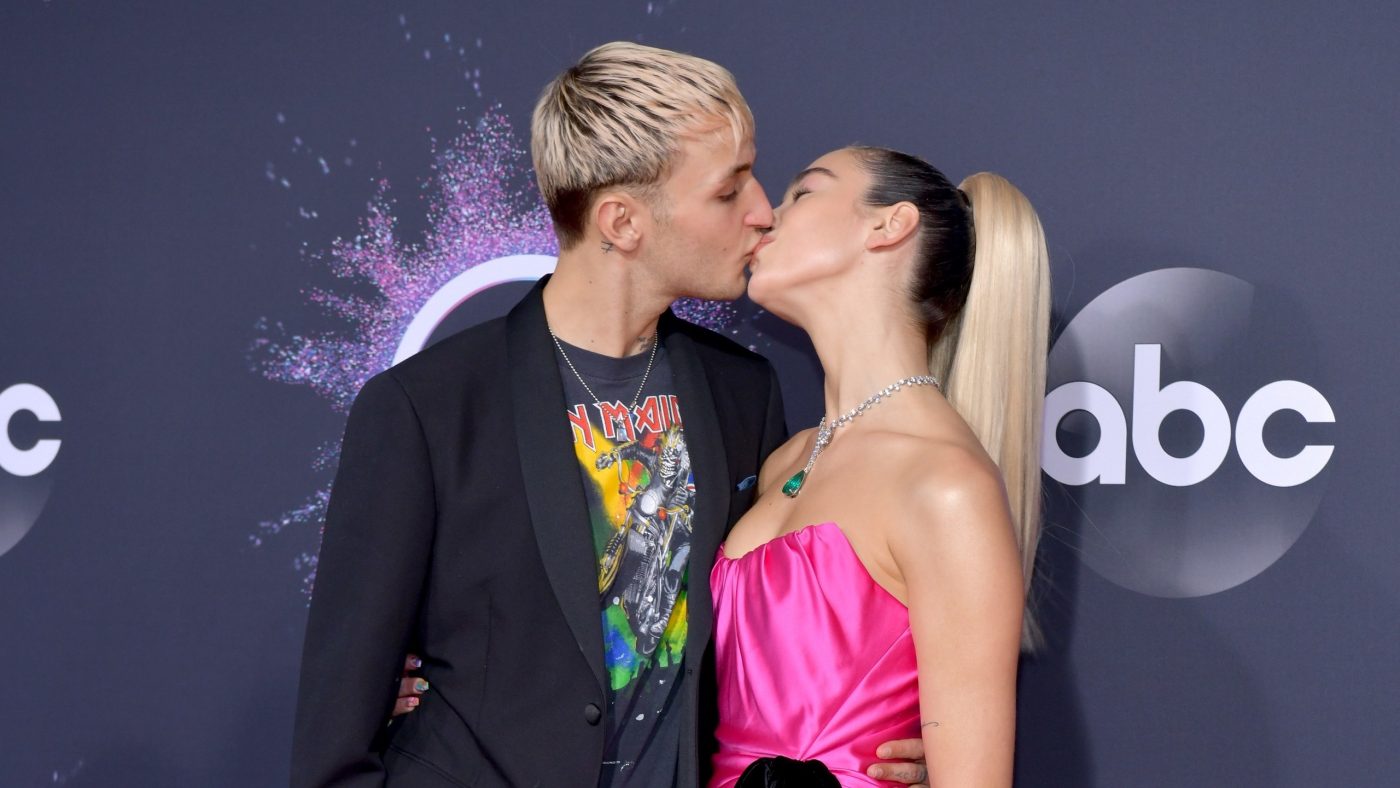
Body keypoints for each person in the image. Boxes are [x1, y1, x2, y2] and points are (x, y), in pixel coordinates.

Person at [291, 43, 931, 787]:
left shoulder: (740, 390)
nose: (763, 212)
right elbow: (335, 747)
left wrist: (882, 747)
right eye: (727, 193)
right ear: (623, 223)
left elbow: (775, 630)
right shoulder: (428, 407)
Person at [711, 147, 1050, 786]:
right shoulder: (788, 457)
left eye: (802, 193)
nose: (763, 216)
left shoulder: (946, 485)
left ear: (888, 226)